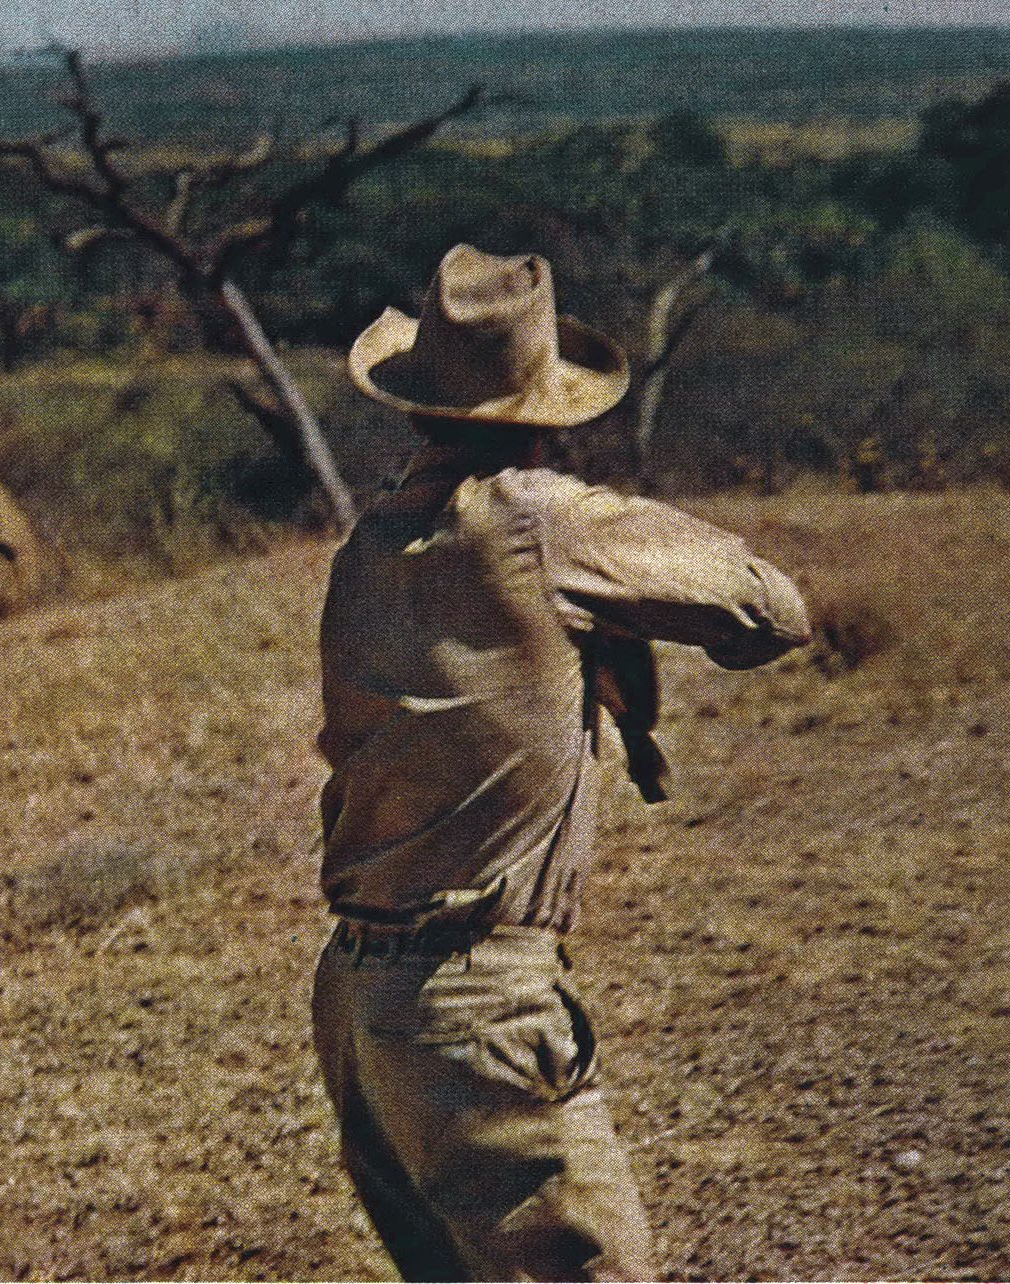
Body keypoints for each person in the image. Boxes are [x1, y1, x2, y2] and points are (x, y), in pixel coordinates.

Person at [311, 244, 811, 1282]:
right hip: (475, 1001)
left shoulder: (368, 543)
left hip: (360, 1007)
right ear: (547, 406)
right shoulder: (541, 520)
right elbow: (768, 607)